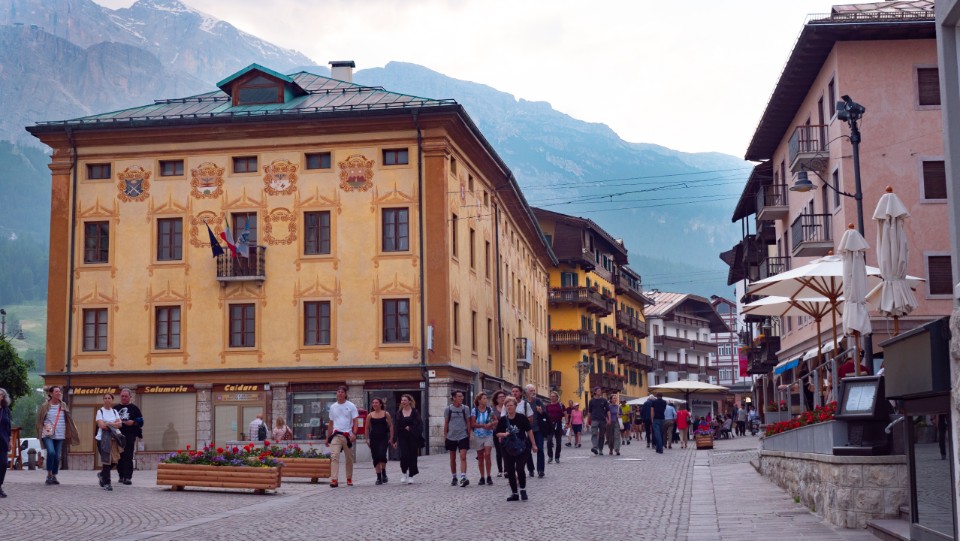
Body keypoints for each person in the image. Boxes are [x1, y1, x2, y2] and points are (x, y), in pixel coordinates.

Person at [495, 396, 537, 502]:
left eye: (511, 405)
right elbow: (497, 433)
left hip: (522, 447)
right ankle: (514, 493)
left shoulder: (521, 418)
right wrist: (504, 434)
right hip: (507, 448)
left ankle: (522, 490)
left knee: (519, 468)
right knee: (510, 470)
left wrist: (534, 444)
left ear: (515, 406)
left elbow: (529, 431)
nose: (509, 407)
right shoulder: (503, 420)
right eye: (507, 405)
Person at [35, 386, 79, 486]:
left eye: (59, 391)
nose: (59, 393)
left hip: (60, 433)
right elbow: (39, 420)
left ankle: (54, 475)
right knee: (51, 452)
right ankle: (49, 475)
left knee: (57, 456)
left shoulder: (63, 405)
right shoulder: (45, 406)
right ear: (51, 394)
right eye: (56, 391)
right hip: (48, 434)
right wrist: (40, 430)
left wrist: (70, 431)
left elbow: (68, 419)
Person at [326, 385, 359, 488]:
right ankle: (334, 479)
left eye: (342, 392)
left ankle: (349, 478)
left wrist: (354, 433)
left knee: (349, 458)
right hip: (336, 434)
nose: (340, 394)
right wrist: (327, 437)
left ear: (345, 394)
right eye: (338, 392)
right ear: (336, 394)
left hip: (347, 435)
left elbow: (355, 421)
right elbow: (331, 423)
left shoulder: (351, 406)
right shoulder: (333, 407)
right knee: (334, 456)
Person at [114, 388, 144, 485]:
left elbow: (141, 422)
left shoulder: (134, 408)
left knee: (128, 456)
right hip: (117, 435)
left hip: (130, 435)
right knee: (119, 456)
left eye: (126, 396)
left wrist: (133, 422)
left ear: (130, 397)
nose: (124, 398)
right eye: (122, 396)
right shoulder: (115, 408)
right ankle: (121, 475)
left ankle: (127, 477)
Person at [393, 394, 423, 484]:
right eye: (402, 400)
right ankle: (404, 472)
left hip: (413, 436)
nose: (403, 402)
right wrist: (394, 440)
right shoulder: (399, 413)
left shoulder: (415, 412)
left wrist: (411, 428)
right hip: (402, 436)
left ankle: (411, 475)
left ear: (409, 401)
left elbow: (420, 424)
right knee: (404, 455)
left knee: (413, 455)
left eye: (405, 400)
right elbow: (396, 426)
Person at [95, 393, 123, 491]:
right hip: (102, 439)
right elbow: (102, 426)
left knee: (115, 460)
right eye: (105, 398)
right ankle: (107, 482)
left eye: (109, 398)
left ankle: (102, 474)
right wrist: (113, 424)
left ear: (112, 400)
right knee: (106, 461)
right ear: (103, 400)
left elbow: (120, 424)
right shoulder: (100, 411)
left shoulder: (114, 411)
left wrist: (109, 423)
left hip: (114, 439)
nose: (107, 399)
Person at [444, 390, 471, 487]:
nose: (461, 398)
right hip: (451, 436)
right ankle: (454, 477)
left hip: (463, 435)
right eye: (459, 396)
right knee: (453, 458)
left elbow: (468, 422)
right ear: (454, 398)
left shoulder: (465, 408)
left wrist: (469, 434)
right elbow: (446, 422)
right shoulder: (448, 409)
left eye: (462, 396)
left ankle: (463, 477)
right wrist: (445, 436)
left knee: (463, 456)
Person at [366, 397, 394, 485]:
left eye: (376, 402)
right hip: (374, 438)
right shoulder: (370, 415)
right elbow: (366, 428)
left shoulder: (386, 414)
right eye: (373, 403)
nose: (374, 404)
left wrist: (391, 438)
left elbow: (391, 426)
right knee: (375, 457)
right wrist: (367, 439)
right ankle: (378, 477)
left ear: (380, 404)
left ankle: (384, 472)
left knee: (382, 455)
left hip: (383, 438)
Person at [470, 392, 496, 486]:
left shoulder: (489, 410)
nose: (486, 400)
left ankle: (489, 476)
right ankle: (482, 477)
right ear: (479, 400)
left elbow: (496, 420)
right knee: (480, 457)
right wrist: (483, 425)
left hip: (488, 434)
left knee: (487, 454)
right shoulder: (474, 411)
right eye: (484, 398)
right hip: (478, 435)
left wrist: (491, 424)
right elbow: (473, 424)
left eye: (486, 398)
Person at [523, 384, 548, 478]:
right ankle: (531, 469)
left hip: (538, 429)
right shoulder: (524, 403)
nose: (533, 392)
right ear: (526, 392)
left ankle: (541, 470)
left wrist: (541, 411)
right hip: (527, 430)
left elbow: (545, 413)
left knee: (540, 449)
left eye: (534, 390)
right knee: (527, 450)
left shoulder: (538, 401)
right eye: (531, 391)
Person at [587, 387, 610, 455]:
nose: (600, 392)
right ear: (595, 392)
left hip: (602, 420)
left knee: (602, 435)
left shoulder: (604, 400)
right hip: (594, 419)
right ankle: (595, 447)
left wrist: (609, 419)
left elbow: (608, 410)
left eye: (600, 390)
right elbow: (589, 412)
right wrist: (587, 421)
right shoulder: (591, 401)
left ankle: (600, 449)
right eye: (599, 391)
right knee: (594, 433)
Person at [490, 390, 507, 477]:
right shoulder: (492, 409)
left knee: (507, 451)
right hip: (496, 432)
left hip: (506, 432)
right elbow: (490, 420)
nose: (502, 398)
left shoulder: (507, 407)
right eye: (500, 397)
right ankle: (500, 470)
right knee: (499, 451)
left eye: (504, 396)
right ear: (496, 399)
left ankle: (506, 469)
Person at [544, 391, 565, 464]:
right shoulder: (547, 406)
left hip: (558, 424)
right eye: (551, 396)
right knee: (549, 441)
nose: (552, 398)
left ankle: (557, 457)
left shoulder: (561, 405)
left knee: (558, 442)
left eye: (554, 396)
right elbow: (545, 415)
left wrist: (566, 423)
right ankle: (550, 456)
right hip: (550, 425)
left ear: (557, 397)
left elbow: (565, 414)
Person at [0, 387, 10, 498]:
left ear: (3, 397)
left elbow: (8, 426)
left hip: (3, 441)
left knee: (3, 464)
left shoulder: (6, 410)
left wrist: (9, 440)